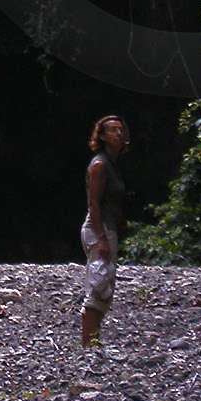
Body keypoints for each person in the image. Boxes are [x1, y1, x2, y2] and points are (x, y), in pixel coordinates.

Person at [80, 115, 129, 348]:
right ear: (101, 136)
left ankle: (93, 341)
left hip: (108, 229)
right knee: (98, 287)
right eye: (112, 130)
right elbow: (94, 204)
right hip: (98, 229)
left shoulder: (113, 164)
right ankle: (88, 343)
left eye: (120, 130)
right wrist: (101, 239)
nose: (118, 134)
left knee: (105, 288)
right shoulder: (100, 165)